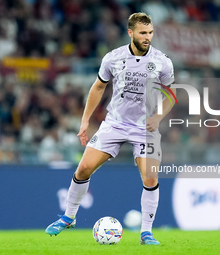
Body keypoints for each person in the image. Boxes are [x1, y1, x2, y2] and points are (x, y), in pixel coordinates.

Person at [45, 12, 175, 245]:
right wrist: (85, 121)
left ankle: (146, 232)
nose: (148, 37)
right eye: (143, 33)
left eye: (150, 32)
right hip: (115, 124)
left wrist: (158, 116)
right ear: (131, 33)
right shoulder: (113, 58)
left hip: (145, 127)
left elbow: (171, 95)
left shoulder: (163, 61)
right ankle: (68, 217)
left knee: (150, 175)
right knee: (84, 168)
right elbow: (97, 88)